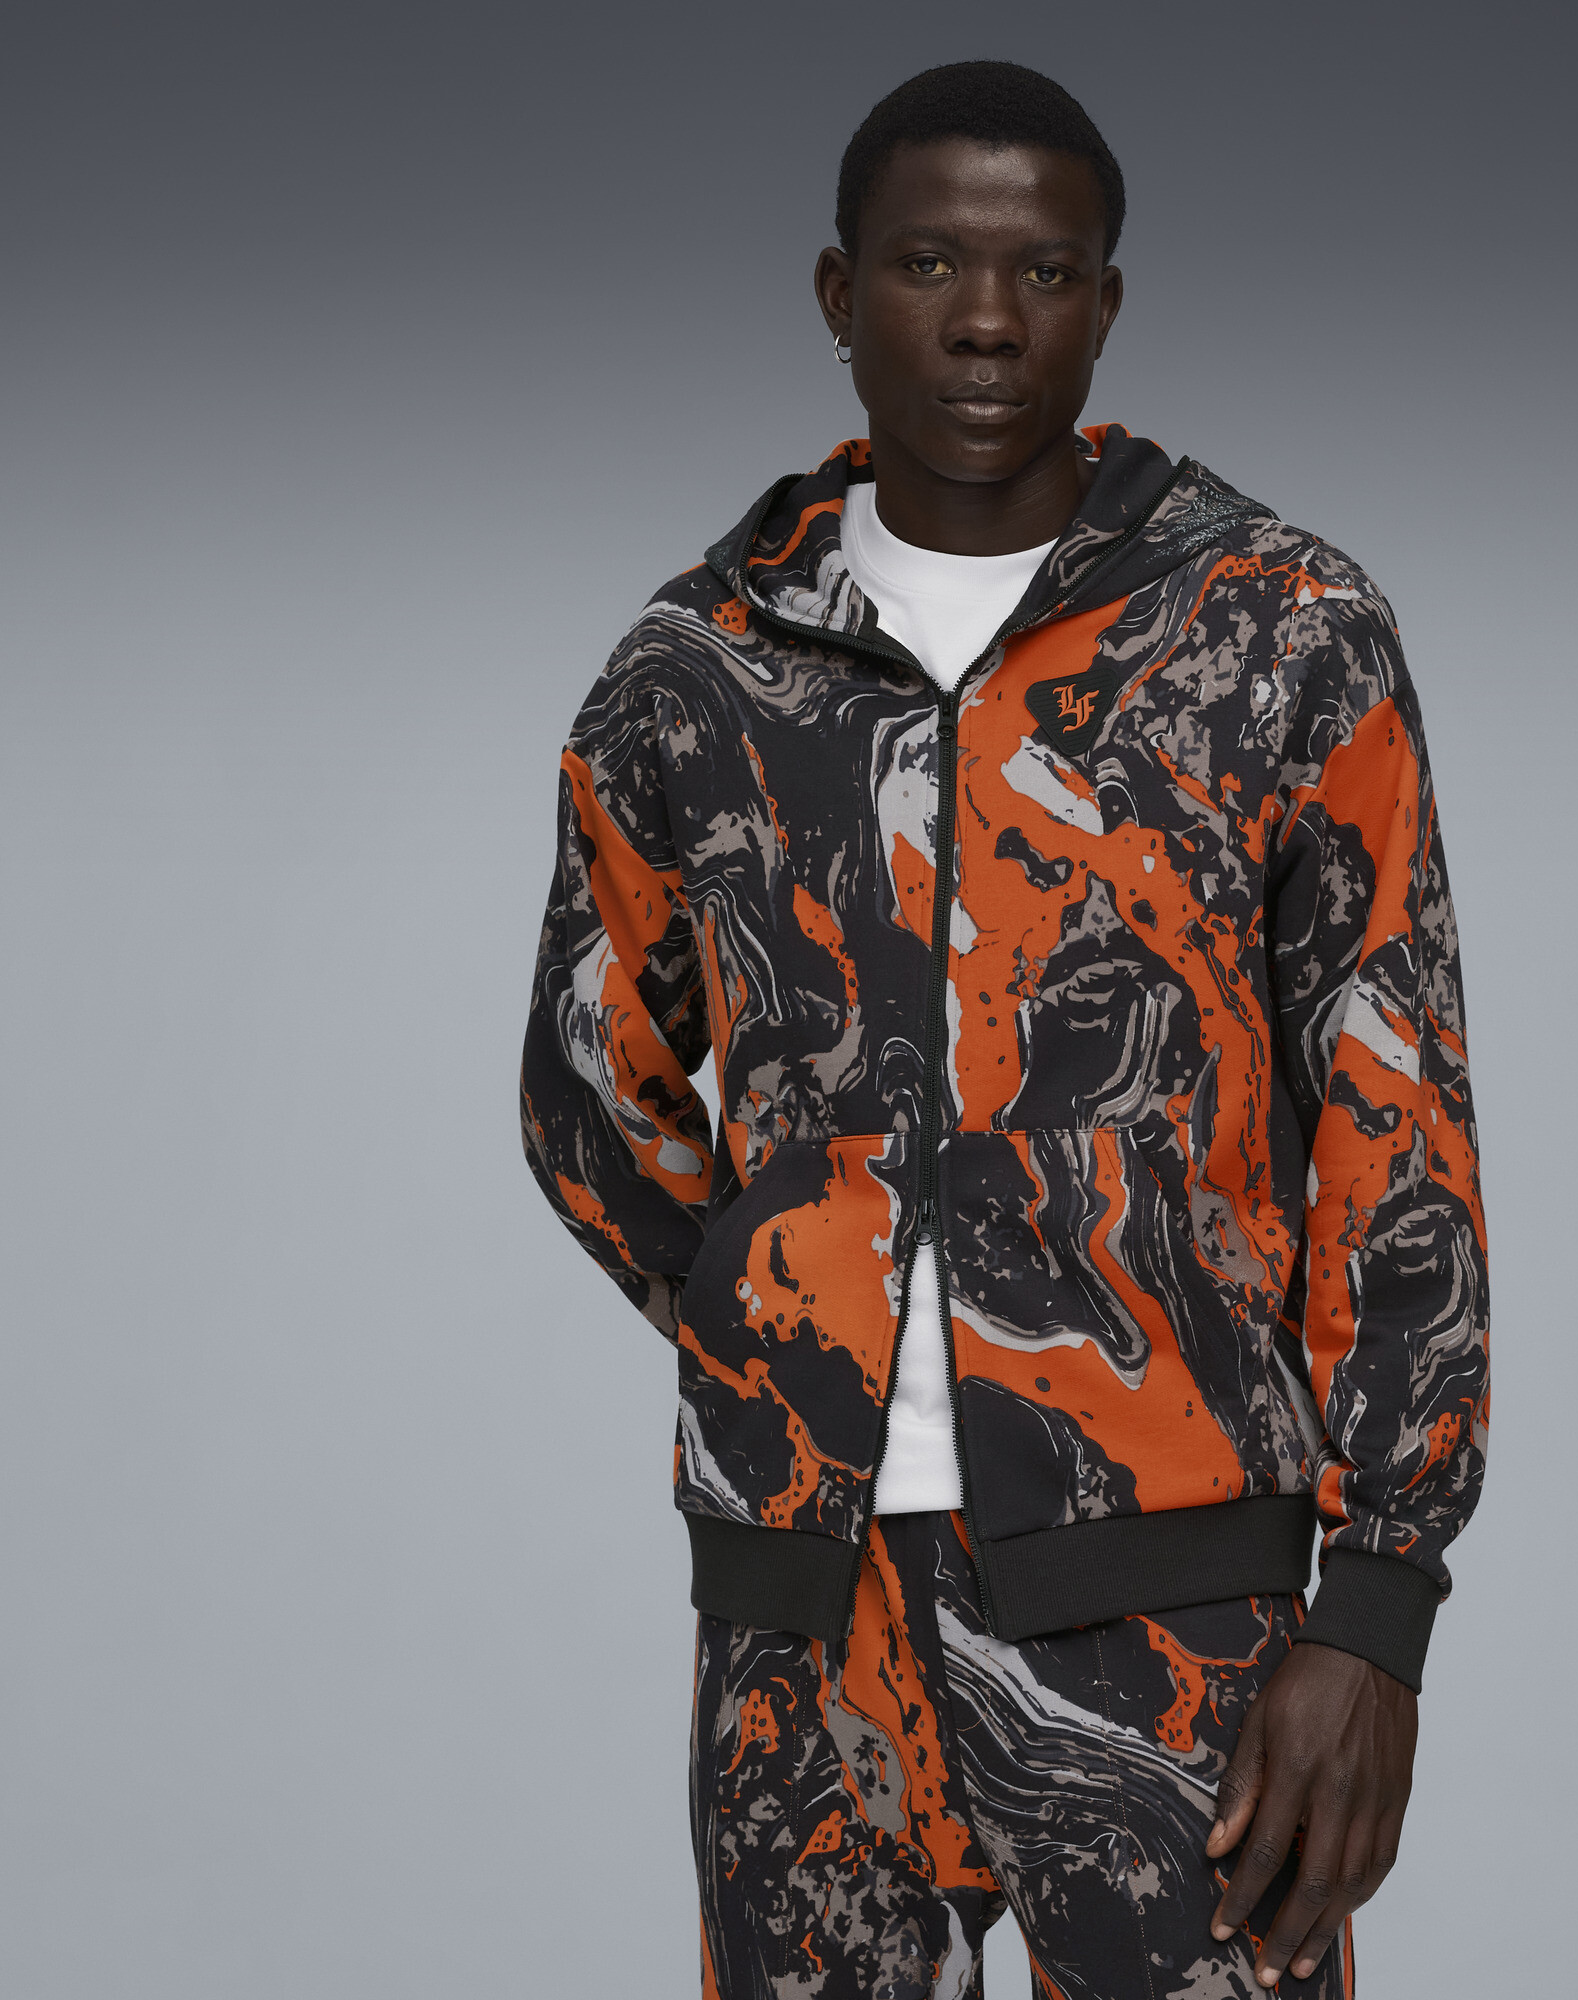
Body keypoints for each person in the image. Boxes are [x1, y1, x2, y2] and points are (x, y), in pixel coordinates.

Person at [519, 58, 1489, 1999]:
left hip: (1182, 1605)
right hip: (800, 1620)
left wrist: (1376, 1604)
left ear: (1104, 302)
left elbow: (1396, 1118)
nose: (984, 318)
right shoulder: (699, 667)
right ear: (838, 292)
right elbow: (586, 1081)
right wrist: (779, 1310)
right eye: (926, 264)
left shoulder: (1278, 634)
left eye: (1043, 271)